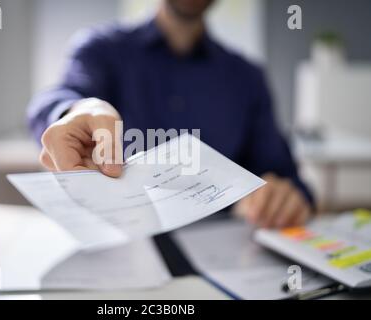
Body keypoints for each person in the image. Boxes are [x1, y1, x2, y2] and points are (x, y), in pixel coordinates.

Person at [28, 0, 314, 229]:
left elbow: (286, 177)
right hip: (120, 243)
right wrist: (77, 110)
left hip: (225, 256)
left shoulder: (247, 78)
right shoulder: (100, 50)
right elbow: (54, 100)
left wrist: (285, 198)